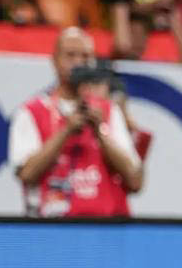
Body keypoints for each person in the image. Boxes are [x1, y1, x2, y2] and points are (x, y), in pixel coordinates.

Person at [8, 28, 142, 217]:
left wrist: (100, 132)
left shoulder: (109, 111)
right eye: (70, 55)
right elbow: (27, 174)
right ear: (54, 60)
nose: (78, 62)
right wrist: (66, 130)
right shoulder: (31, 112)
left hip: (104, 226)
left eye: (86, 57)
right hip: (50, 227)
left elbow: (135, 180)